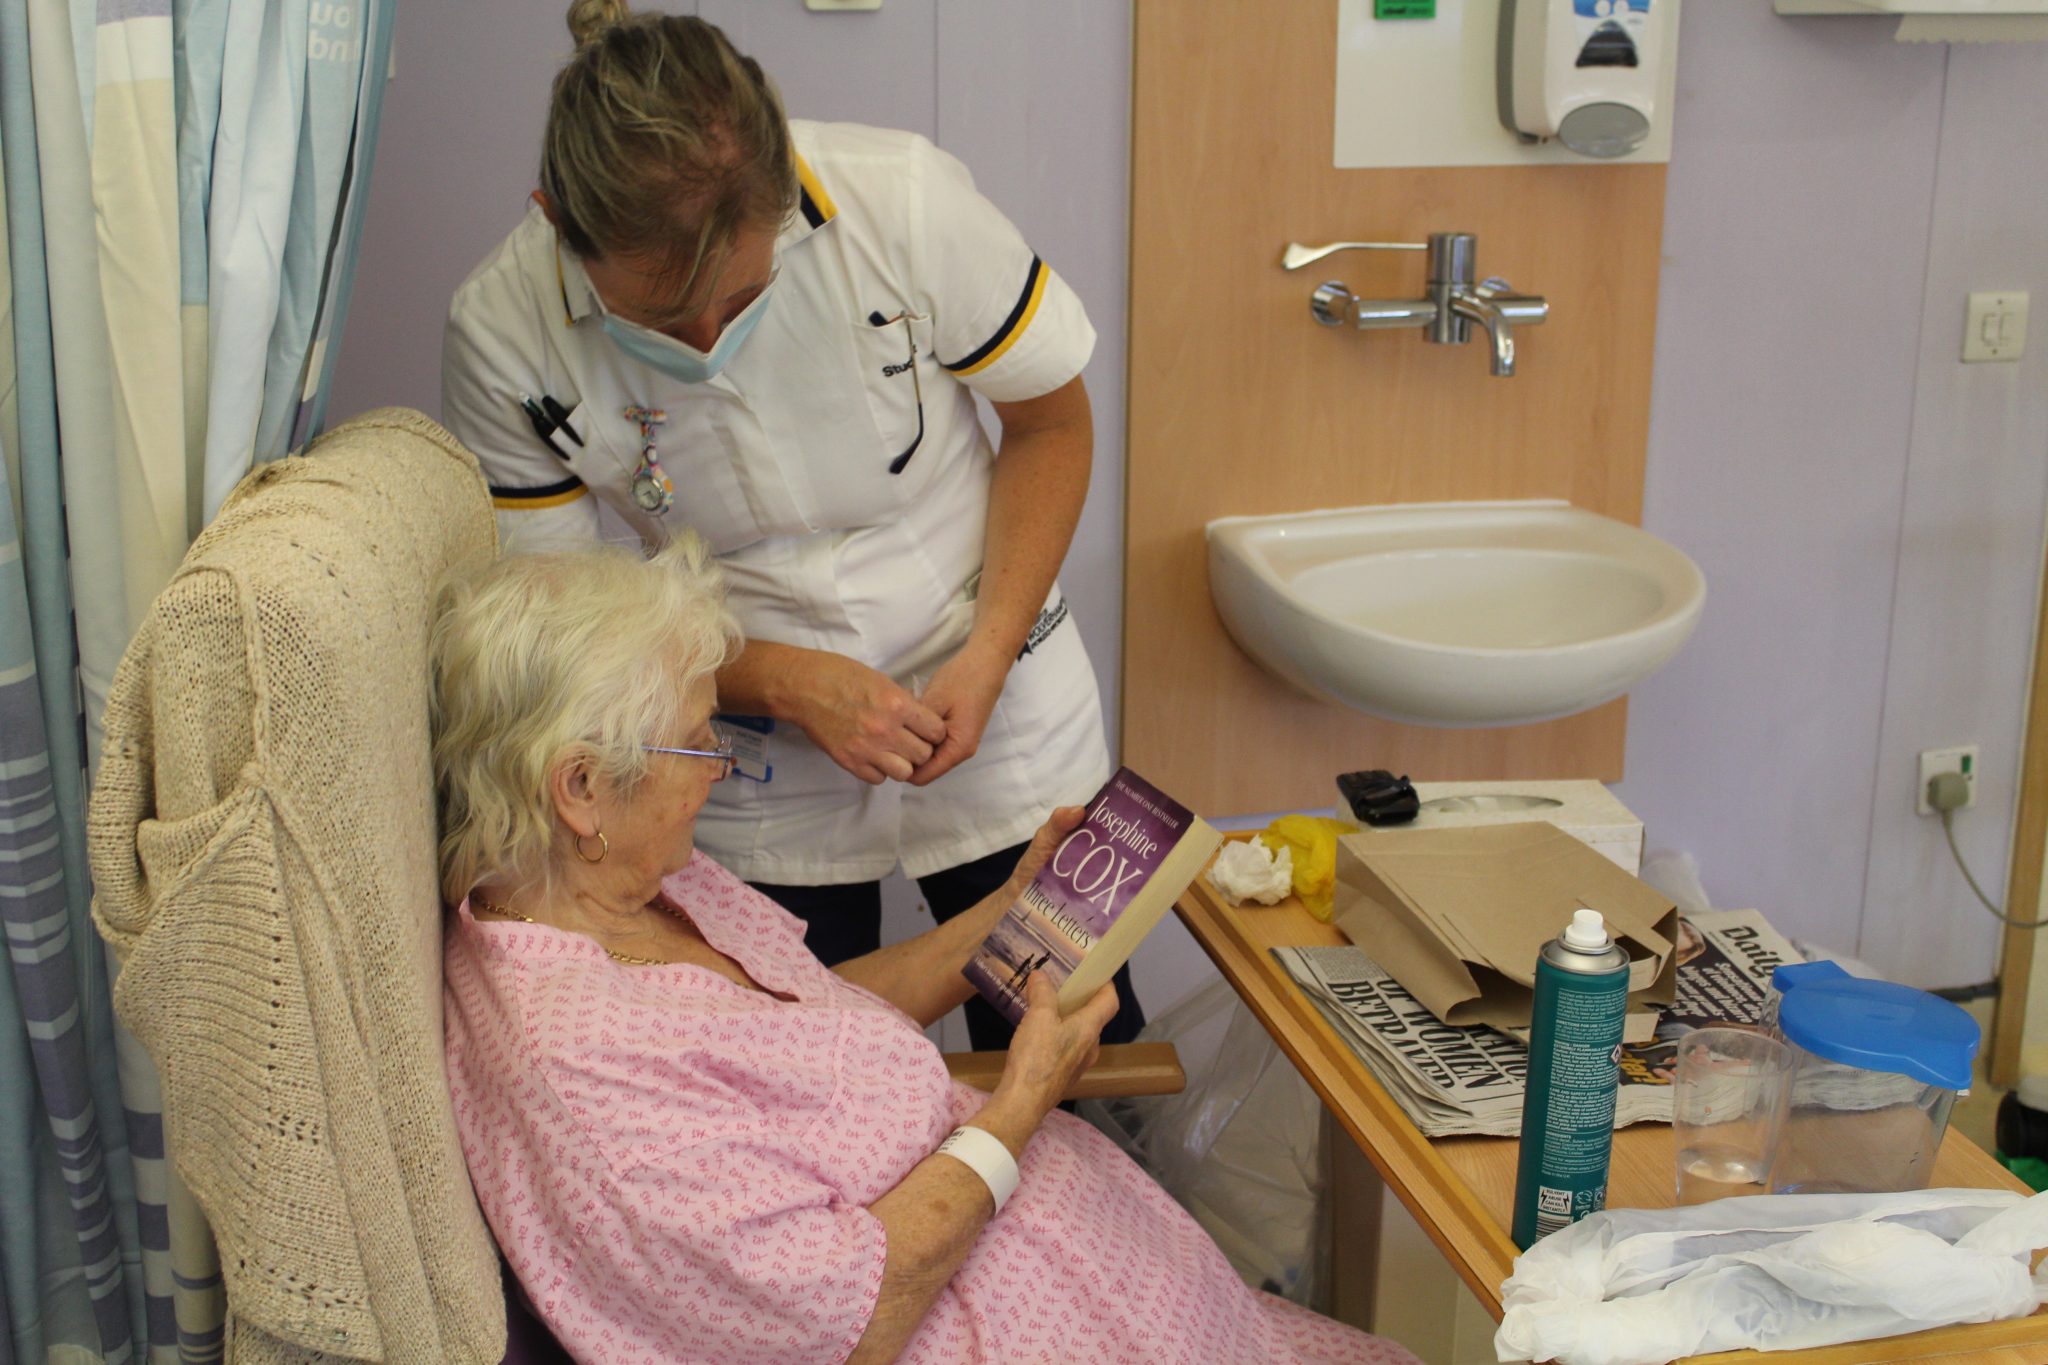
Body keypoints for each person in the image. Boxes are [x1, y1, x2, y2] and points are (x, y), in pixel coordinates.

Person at [431, 541, 1416, 1365]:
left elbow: (808, 1014)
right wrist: (1025, 1099)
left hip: (1136, 1289)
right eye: (698, 746)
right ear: (580, 788)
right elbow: (847, 1320)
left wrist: (1015, 907)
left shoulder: (639, 888)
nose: (720, 772)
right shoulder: (585, 1088)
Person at [440, 0, 1139, 1051]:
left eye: (741, 296)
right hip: (738, 746)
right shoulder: (501, 333)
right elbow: (569, 628)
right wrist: (781, 680)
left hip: (999, 689)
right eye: (662, 326)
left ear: (785, 198)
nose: (709, 343)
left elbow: (1048, 421)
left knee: (1082, 1046)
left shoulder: (898, 201)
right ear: (554, 220)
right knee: (803, 1059)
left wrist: (988, 655)